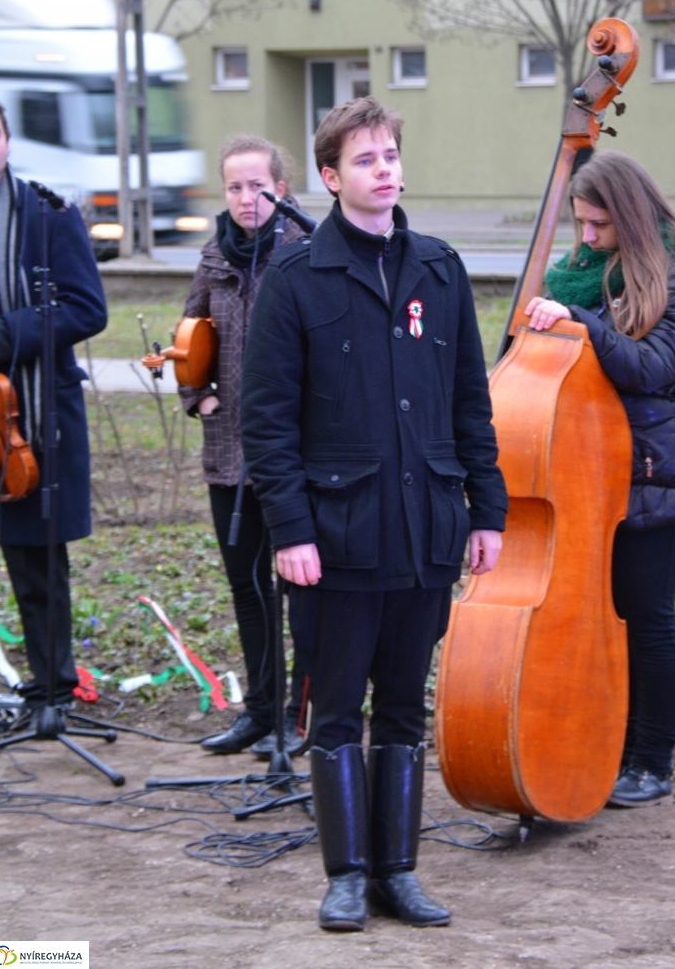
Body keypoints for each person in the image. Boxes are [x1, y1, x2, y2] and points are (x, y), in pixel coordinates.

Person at [240, 96, 507, 932]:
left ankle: (398, 871)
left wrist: (487, 511)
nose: (383, 169)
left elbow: (470, 402)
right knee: (335, 709)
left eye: (390, 155)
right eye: (364, 159)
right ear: (330, 177)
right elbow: (266, 423)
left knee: (402, 707)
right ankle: (347, 876)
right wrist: (291, 530)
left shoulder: (439, 269)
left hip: (427, 531)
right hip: (337, 537)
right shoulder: (294, 279)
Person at [525, 149, 675, 807]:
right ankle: (606, 745)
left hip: (654, 472)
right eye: (579, 222)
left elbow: (651, 367)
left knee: (647, 616)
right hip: (583, 474)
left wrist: (580, 324)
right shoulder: (575, 277)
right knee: (596, 620)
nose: (586, 236)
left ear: (629, 217)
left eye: (598, 225)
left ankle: (652, 762)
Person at [179, 135, 312, 756]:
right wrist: (198, 398)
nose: (245, 198)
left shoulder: (306, 251)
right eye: (234, 187)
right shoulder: (214, 256)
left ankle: (299, 714)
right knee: (248, 586)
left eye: (257, 186)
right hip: (230, 452)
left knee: (302, 592)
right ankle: (259, 710)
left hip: (295, 457)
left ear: (280, 189)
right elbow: (189, 334)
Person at [0, 95, 107, 714]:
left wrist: (2, 335)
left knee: (36, 564)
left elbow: (88, 309)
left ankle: (55, 690)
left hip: (25, 417)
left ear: (7, 141)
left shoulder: (47, 214)